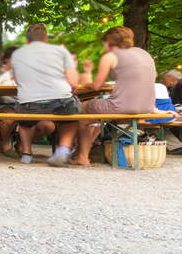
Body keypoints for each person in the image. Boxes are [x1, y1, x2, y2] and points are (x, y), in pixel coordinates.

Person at [72, 26, 169, 166]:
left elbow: (97, 86)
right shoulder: (144, 54)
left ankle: (81, 156)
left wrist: (86, 77)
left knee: (80, 111)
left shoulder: (110, 56)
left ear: (108, 42)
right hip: (146, 107)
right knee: (94, 115)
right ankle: (81, 152)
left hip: (119, 107)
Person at [11, 24, 79, 166]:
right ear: (46, 38)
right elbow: (73, 82)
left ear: (27, 40)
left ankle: (27, 155)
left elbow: (17, 80)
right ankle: (63, 150)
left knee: (25, 122)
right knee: (71, 118)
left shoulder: (18, 54)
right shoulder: (61, 51)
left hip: (29, 103)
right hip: (61, 100)